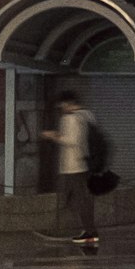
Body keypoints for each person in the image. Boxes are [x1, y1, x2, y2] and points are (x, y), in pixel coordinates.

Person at [52, 84, 104, 249]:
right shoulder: (86, 115)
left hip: (73, 166)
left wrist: (55, 136)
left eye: (61, 104)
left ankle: (89, 231)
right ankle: (87, 230)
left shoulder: (71, 118)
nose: (60, 108)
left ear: (67, 102)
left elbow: (72, 140)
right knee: (80, 198)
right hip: (82, 163)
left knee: (79, 199)